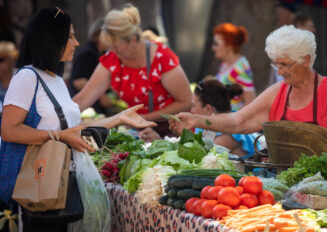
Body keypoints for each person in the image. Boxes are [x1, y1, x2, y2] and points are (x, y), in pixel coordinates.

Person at [0, 7, 155, 231]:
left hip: (62, 187)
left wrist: (119, 118)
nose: (77, 42)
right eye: (70, 36)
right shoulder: (26, 77)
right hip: (39, 189)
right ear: (52, 39)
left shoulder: (56, 80)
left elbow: (73, 129)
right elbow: (9, 130)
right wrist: (58, 135)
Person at [170, 25, 327, 161]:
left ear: (306, 59)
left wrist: (319, 177)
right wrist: (195, 119)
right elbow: (239, 121)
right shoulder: (277, 93)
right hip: (280, 180)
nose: (279, 72)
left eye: (285, 64)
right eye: (276, 64)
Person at [73, 4, 192, 137]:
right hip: (141, 131)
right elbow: (84, 98)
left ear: (133, 40)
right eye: (109, 46)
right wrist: (59, 118)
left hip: (173, 131)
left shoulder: (161, 58)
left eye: (116, 46)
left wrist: (145, 117)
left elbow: (186, 102)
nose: (112, 50)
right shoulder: (112, 59)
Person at [140, 78, 262, 159]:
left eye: (193, 106)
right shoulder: (205, 127)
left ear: (208, 109)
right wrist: (158, 141)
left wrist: (183, 138)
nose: (191, 111)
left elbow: (201, 159)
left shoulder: (228, 134)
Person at [68, 17, 112, 115]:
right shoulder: (87, 53)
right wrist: (102, 96)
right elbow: (78, 81)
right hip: (85, 109)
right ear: (99, 35)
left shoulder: (102, 53)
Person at [213, 23, 256, 111]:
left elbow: (250, 102)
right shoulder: (225, 64)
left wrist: (233, 119)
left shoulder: (241, 67)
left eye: (216, 43)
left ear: (228, 45)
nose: (213, 48)